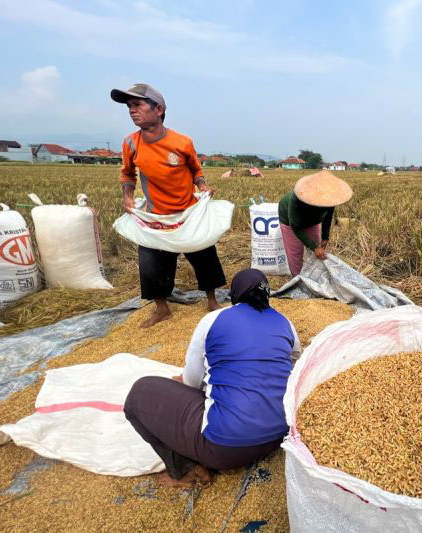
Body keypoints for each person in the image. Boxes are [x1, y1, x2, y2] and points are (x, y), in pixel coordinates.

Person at [124, 268, 302, 487]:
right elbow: (294, 367)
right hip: (279, 438)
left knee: (138, 393)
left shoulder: (213, 320)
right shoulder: (286, 324)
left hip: (225, 450)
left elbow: (191, 381)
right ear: (267, 295)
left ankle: (183, 470)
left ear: (234, 295)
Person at [111, 83, 225, 328]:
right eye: (129, 107)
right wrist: (128, 196)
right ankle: (162, 309)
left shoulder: (182, 142)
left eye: (138, 105)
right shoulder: (131, 143)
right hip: (157, 217)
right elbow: (127, 174)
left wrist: (202, 185)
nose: (132, 111)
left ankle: (212, 301)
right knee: (151, 263)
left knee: (204, 255)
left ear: (158, 109)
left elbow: (196, 170)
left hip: (187, 213)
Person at [278, 170, 353, 276]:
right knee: (295, 252)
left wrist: (325, 237)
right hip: (291, 221)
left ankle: (314, 276)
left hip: (312, 221)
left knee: (317, 250)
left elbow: (328, 216)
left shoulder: (330, 198)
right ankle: (298, 280)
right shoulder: (296, 200)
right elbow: (296, 227)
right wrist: (314, 247)